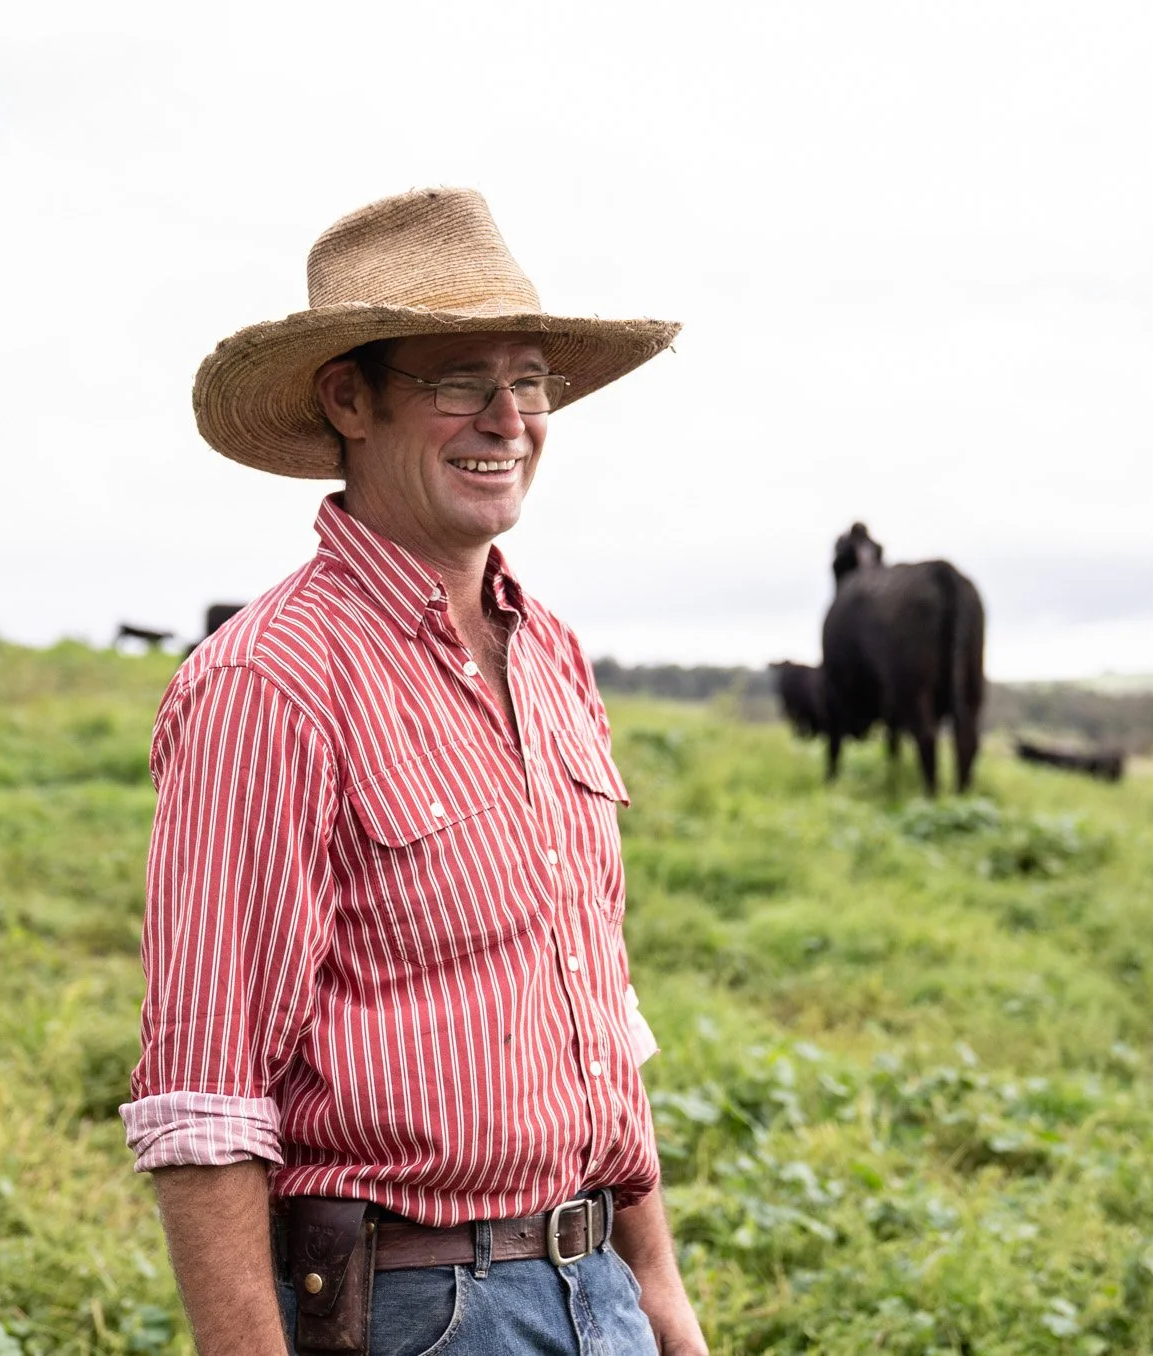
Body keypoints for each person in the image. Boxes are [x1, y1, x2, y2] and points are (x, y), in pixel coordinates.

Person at [119, 187, 706, 1355]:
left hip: (597, 1286)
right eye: (458, 381)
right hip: (421, 1312)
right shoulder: (268, 685)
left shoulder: (548, 651)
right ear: (349, 397)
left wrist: (662, 1298)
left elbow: (599, 1012)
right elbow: (207, 1100)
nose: (508, 418)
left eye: (530, 379)